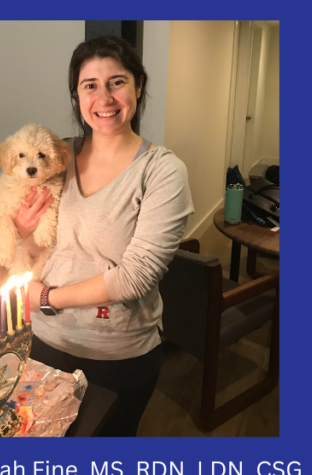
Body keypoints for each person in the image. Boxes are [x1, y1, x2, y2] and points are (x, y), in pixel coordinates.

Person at [17, 36, 194, 436]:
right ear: (77, 95)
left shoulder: (162, 172)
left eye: (117, 82)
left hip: (115, 357)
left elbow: (135, 278)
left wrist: (46, 298)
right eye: (90, 85)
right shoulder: (55, 156)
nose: (105, 98)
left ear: (139, 86)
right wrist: (22, 233)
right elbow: (35, 247)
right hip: (42, 341)